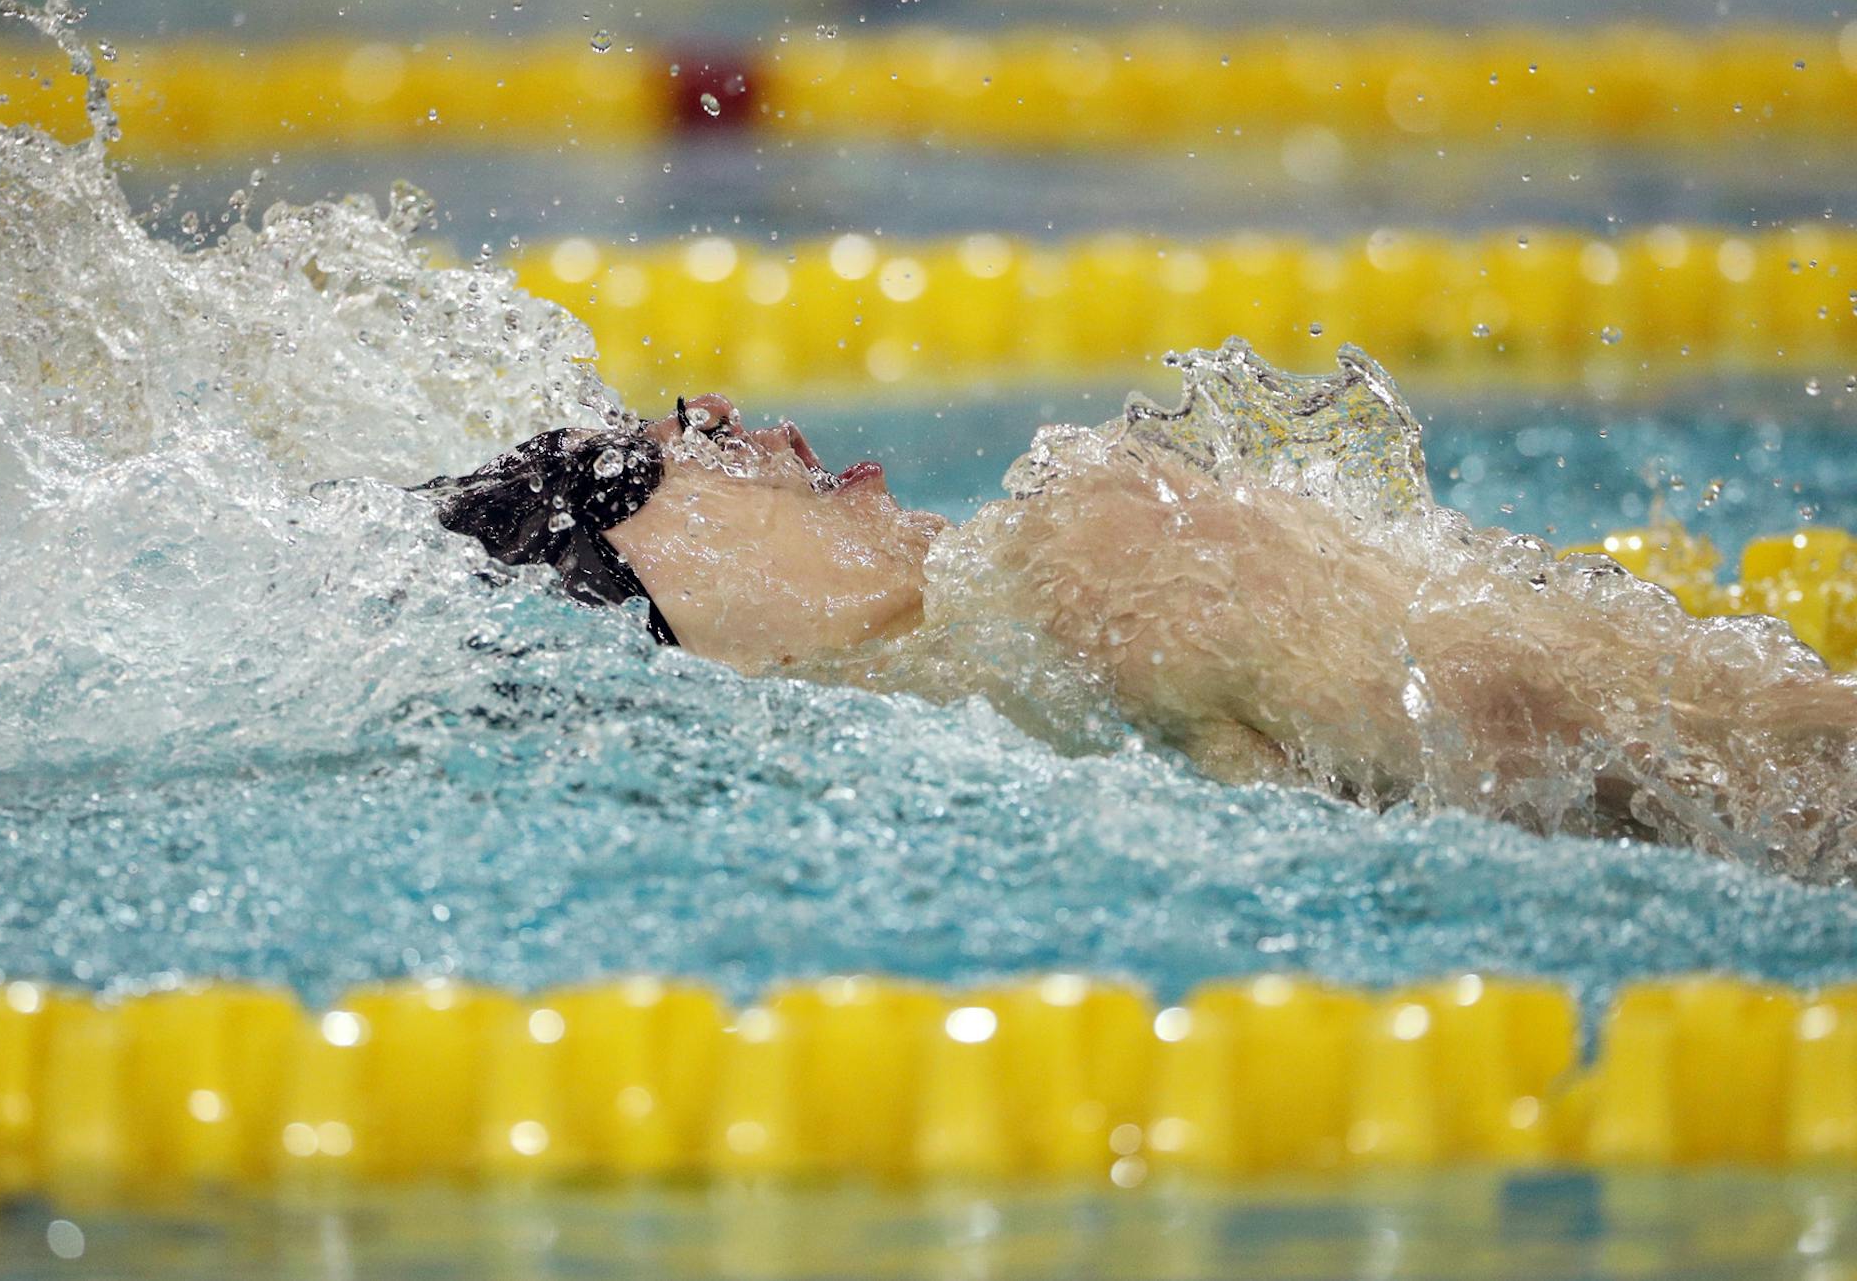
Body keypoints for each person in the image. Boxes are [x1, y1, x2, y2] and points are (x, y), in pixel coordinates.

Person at [423, 384, 1857, 878]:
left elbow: (1656, 741)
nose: (763, 426)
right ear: (653, 599)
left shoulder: (1091, 547)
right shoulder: (1051, 621)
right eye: (681, 446)